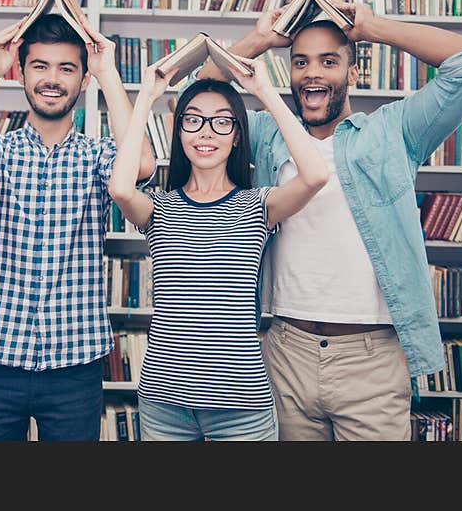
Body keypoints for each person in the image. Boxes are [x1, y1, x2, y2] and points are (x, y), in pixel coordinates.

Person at [196, 4, 462, 440]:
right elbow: (194, 97)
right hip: (284, 353)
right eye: (301, 62)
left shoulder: (394, 131)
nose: (312, 73)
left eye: (328, 61)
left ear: (353, 73)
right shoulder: (268, 134)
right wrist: (259, 40)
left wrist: (372, 28)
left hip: (372, 360)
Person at [0, 14, 155, 441]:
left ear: (82, 80)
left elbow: (142, 167)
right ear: (21, 73)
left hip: (74, 366)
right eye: (40, 66)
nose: (52, 79)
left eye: (67, 68)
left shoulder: (97, 157)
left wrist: (108, 72)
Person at [108, 56, 328, 440]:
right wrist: (147, 96)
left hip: (242, 406)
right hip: (165, 405)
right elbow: (122, 189)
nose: (205, 133)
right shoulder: (160, 208)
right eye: (193, 120)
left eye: (221, 121)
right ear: (179, 132)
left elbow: (315, 175)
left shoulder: (258, 205)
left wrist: (263, 91)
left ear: (237, 134)